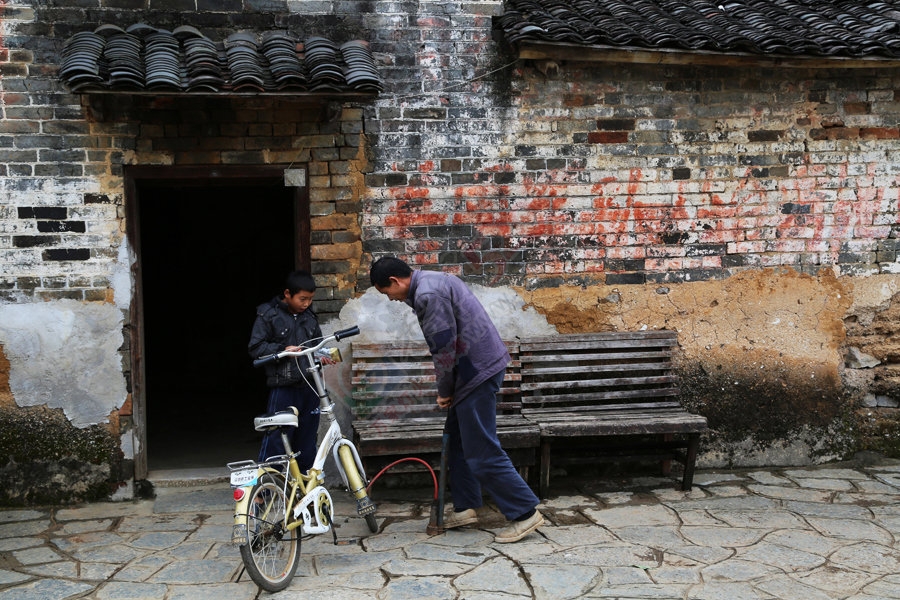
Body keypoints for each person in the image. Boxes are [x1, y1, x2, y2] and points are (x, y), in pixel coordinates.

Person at [370, 256, 544, 543]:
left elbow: (444, 350)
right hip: (476, 368)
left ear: (394, 281)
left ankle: (525, 513)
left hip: (476, 372)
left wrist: (445, 390)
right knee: (457, 440)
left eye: (386, 293)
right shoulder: (434, 280)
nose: (391, 299)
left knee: (481, 448)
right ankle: (466, 508)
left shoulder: (428, 294)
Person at [248, 270, 324, 472]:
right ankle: (266, 490)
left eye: (310, 299)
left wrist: (323, 355)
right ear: (287, 293)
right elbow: (255, 348)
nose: (306, 303)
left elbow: (317, 343)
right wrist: (282, 351)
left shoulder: (309, 316)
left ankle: (305, 494)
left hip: (310, 386)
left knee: (307, 444)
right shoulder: (268, 315)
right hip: (284, 387)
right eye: (302, 299)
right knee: (277, 440)